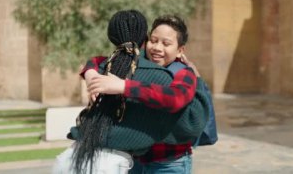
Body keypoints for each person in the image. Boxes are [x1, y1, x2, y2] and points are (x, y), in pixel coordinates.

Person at [53, 11, 209, 174]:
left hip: (168, 161)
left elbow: (175, 97)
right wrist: (90, 73)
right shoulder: (136, 63)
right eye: (153, 41)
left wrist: (124, 87)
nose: (157, 48)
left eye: (166, 43)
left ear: (180, 50)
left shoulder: (184, 73)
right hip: (134, 160)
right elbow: (99, 60)